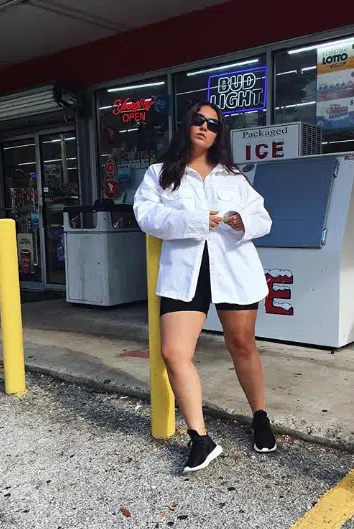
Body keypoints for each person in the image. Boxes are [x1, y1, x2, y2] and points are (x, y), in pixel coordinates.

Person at [133, 101, 276, 474]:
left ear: (219, 134)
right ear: (186, 125)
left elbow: (263, 219)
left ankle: (260, 417)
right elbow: (147, 217)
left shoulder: (233, 176)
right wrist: (197, 220)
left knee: (242, 345)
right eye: (198, 120)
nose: (204, 128)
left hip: (233, 269)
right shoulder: (160, 173)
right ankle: (200, 439)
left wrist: (238, 220)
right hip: (185, 272)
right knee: (173, 352)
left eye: (213, 124)